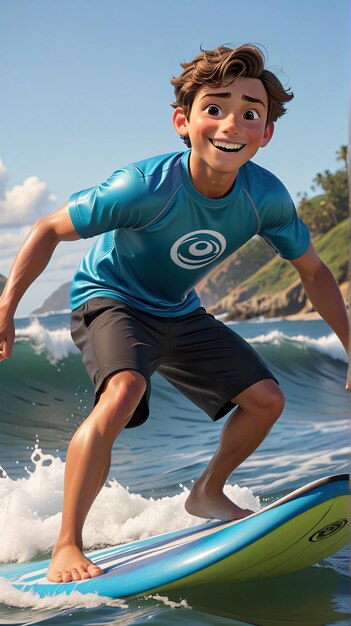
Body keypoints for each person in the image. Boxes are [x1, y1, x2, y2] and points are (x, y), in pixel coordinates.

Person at [0, 44, 349, 584]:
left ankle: (207, 492)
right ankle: (67, 544)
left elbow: (314, 271)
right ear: (183, 122)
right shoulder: (144, 187)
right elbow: (48, 228)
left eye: (250, 113)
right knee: (124, 392)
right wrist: (7, 307)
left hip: (177, 309)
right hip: (108, 295)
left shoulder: (266, 199)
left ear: (266, 133)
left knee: (266, 400)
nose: (232, 123)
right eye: (215, 108)